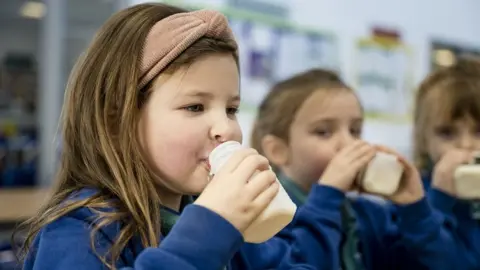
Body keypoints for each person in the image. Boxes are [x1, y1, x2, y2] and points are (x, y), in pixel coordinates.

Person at [13, 3, 326, 270]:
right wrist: (208, 232)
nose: (226, 128)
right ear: (115, 120)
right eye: (194, 106)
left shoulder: (227, 224)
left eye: (231, 109)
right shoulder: (80, 231)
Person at [250, 69, 456, 269]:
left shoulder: (370, 214)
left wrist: (415, 211)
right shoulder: (263, 218)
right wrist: (327, 197)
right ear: (278, 150)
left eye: (355, 130)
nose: (349, 143)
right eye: (324, 132)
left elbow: (439, 263)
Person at [413, 58, 480, 269]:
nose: (466, 145)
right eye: (447, 133)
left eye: (479, 132)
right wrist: (441, 200)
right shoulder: (412, 201)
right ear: (424, 141)